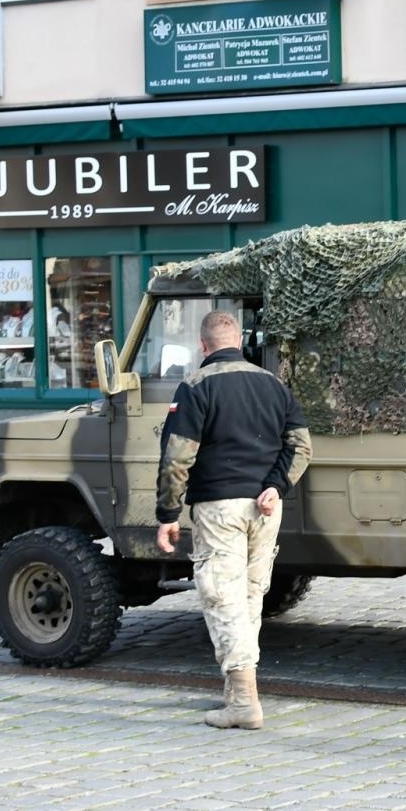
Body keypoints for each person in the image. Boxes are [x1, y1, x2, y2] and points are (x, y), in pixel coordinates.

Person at [156, 310, 312, 730]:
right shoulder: (274, 385)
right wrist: (277, 485)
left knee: (223, 598)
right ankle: (238, 690)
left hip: (218, 508)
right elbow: (301, 447)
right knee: (249, 597)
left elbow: (177, 458)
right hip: (265, 508)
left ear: (202, 345)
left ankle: (243, 701)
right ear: (239, 342)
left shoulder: (195, 386)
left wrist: (168, 514)